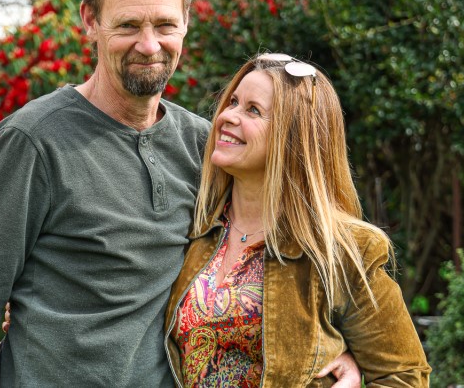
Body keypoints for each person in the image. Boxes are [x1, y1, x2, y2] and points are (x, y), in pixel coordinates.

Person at [0, 0, 361, 387]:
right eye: (127, 26)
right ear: (90, 21)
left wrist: (342, 350)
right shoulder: (33, 141)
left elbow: (283, 249)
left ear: (186, 22)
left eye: (164, 25)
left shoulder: (205, 146)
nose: (148, 45)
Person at [161, 53, 431, 386]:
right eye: (233, 102)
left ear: (294, 138)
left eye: (253, 110)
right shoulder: (194, 226)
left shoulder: (341, 252)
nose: (227, 116)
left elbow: (405, 376)